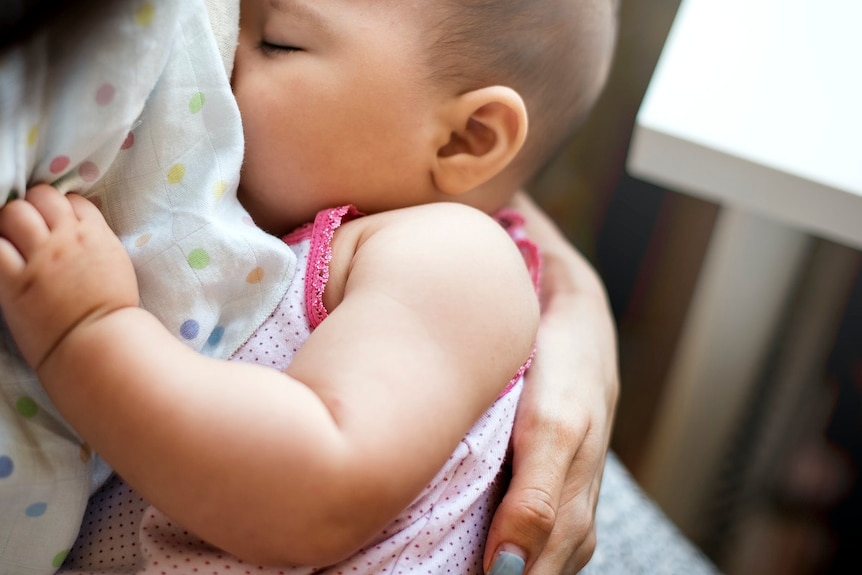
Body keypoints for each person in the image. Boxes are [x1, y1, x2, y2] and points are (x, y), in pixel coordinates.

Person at [0, 0, 620, 573]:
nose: (227, 49)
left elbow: (319, 487)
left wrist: (89, 330)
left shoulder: (457, 257)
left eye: (279, 42)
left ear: (466, 139)